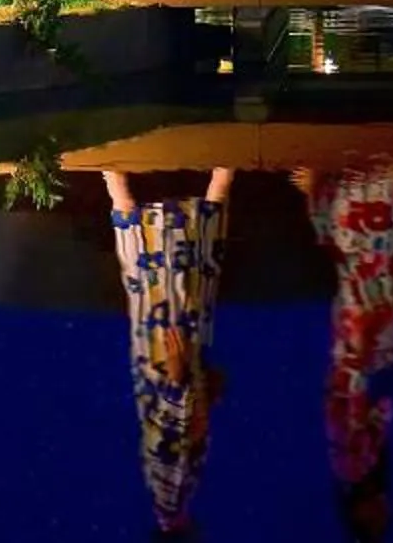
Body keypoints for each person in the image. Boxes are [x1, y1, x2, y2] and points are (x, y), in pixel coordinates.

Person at [107, 168, 235, 536]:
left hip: (168, 371)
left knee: (168, 288)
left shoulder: (171, 501)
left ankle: (118, 180)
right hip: (175, 375)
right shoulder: (173, 502)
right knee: (177, 284)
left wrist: (177, 384)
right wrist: (204, 393)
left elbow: (168, 445)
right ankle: (117, 181)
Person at [297, 164, 393, 542]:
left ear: (359, 514)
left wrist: (360, 355)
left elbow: (343, 403)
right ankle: (336, 186)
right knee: (374, 264)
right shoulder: (367, 467)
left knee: (367, 264)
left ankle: (335, 185)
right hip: (371, 344)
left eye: (374, 520)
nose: (383, 510)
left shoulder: (351, 466)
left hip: (361, 347)